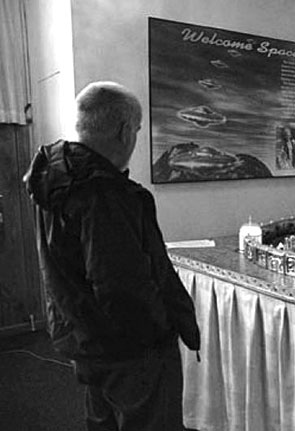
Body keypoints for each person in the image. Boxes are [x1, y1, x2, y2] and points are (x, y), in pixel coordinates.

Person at [23, 81, 200, 431]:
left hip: (83, 335)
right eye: (135, 129)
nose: (135, 138)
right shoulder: (106, 194)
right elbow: (120, 284)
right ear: (123, 131)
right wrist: (160, 330)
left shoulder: (55, 178)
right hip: (131, 351)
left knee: (102, 421)